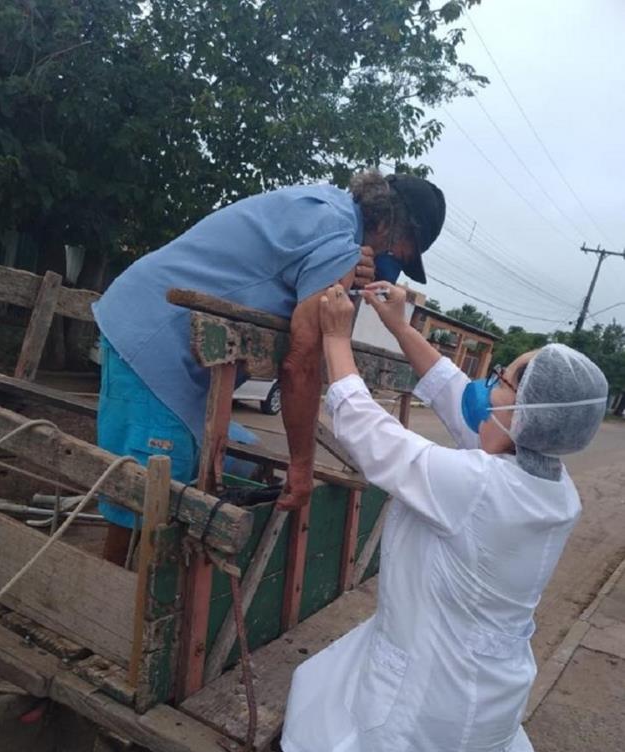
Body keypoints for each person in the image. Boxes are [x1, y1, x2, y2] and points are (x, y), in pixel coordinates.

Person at [281, 281, 608, 752]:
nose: (489, 391)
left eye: (504, 382)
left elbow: (372, 437)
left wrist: (334, 337)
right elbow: (467, 404)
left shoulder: (478, 486)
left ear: (525, 413)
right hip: (479, 713)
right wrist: (404, 329)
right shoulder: (551, 488)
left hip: (424, 718)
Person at [91, 171, 445, 562]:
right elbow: (301, 364)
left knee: (235, 457)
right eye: (404, 252)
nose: (391, 264)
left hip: (153, 329)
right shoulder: (340, 241)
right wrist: (302, 465)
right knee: (149, 495)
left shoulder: (329, 210)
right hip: (154, 341)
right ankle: (114, 604)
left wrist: (346, 273)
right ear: (392, 227)